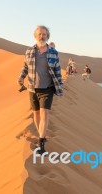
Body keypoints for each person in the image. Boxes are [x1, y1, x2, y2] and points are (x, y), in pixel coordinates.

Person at [18, 25, 63, 154]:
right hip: (32, 88)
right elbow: (25, 66)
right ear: (35, 35)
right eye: (39, 34)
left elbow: (57, 70)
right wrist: (21, 78)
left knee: (45, 113)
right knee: (36, 114)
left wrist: (59, 85)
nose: (41, 36)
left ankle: (42, 143)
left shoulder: (53, 53)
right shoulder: (29, 51)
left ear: (47, 36)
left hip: (47, 88)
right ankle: (40, 135)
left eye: (44, 34)